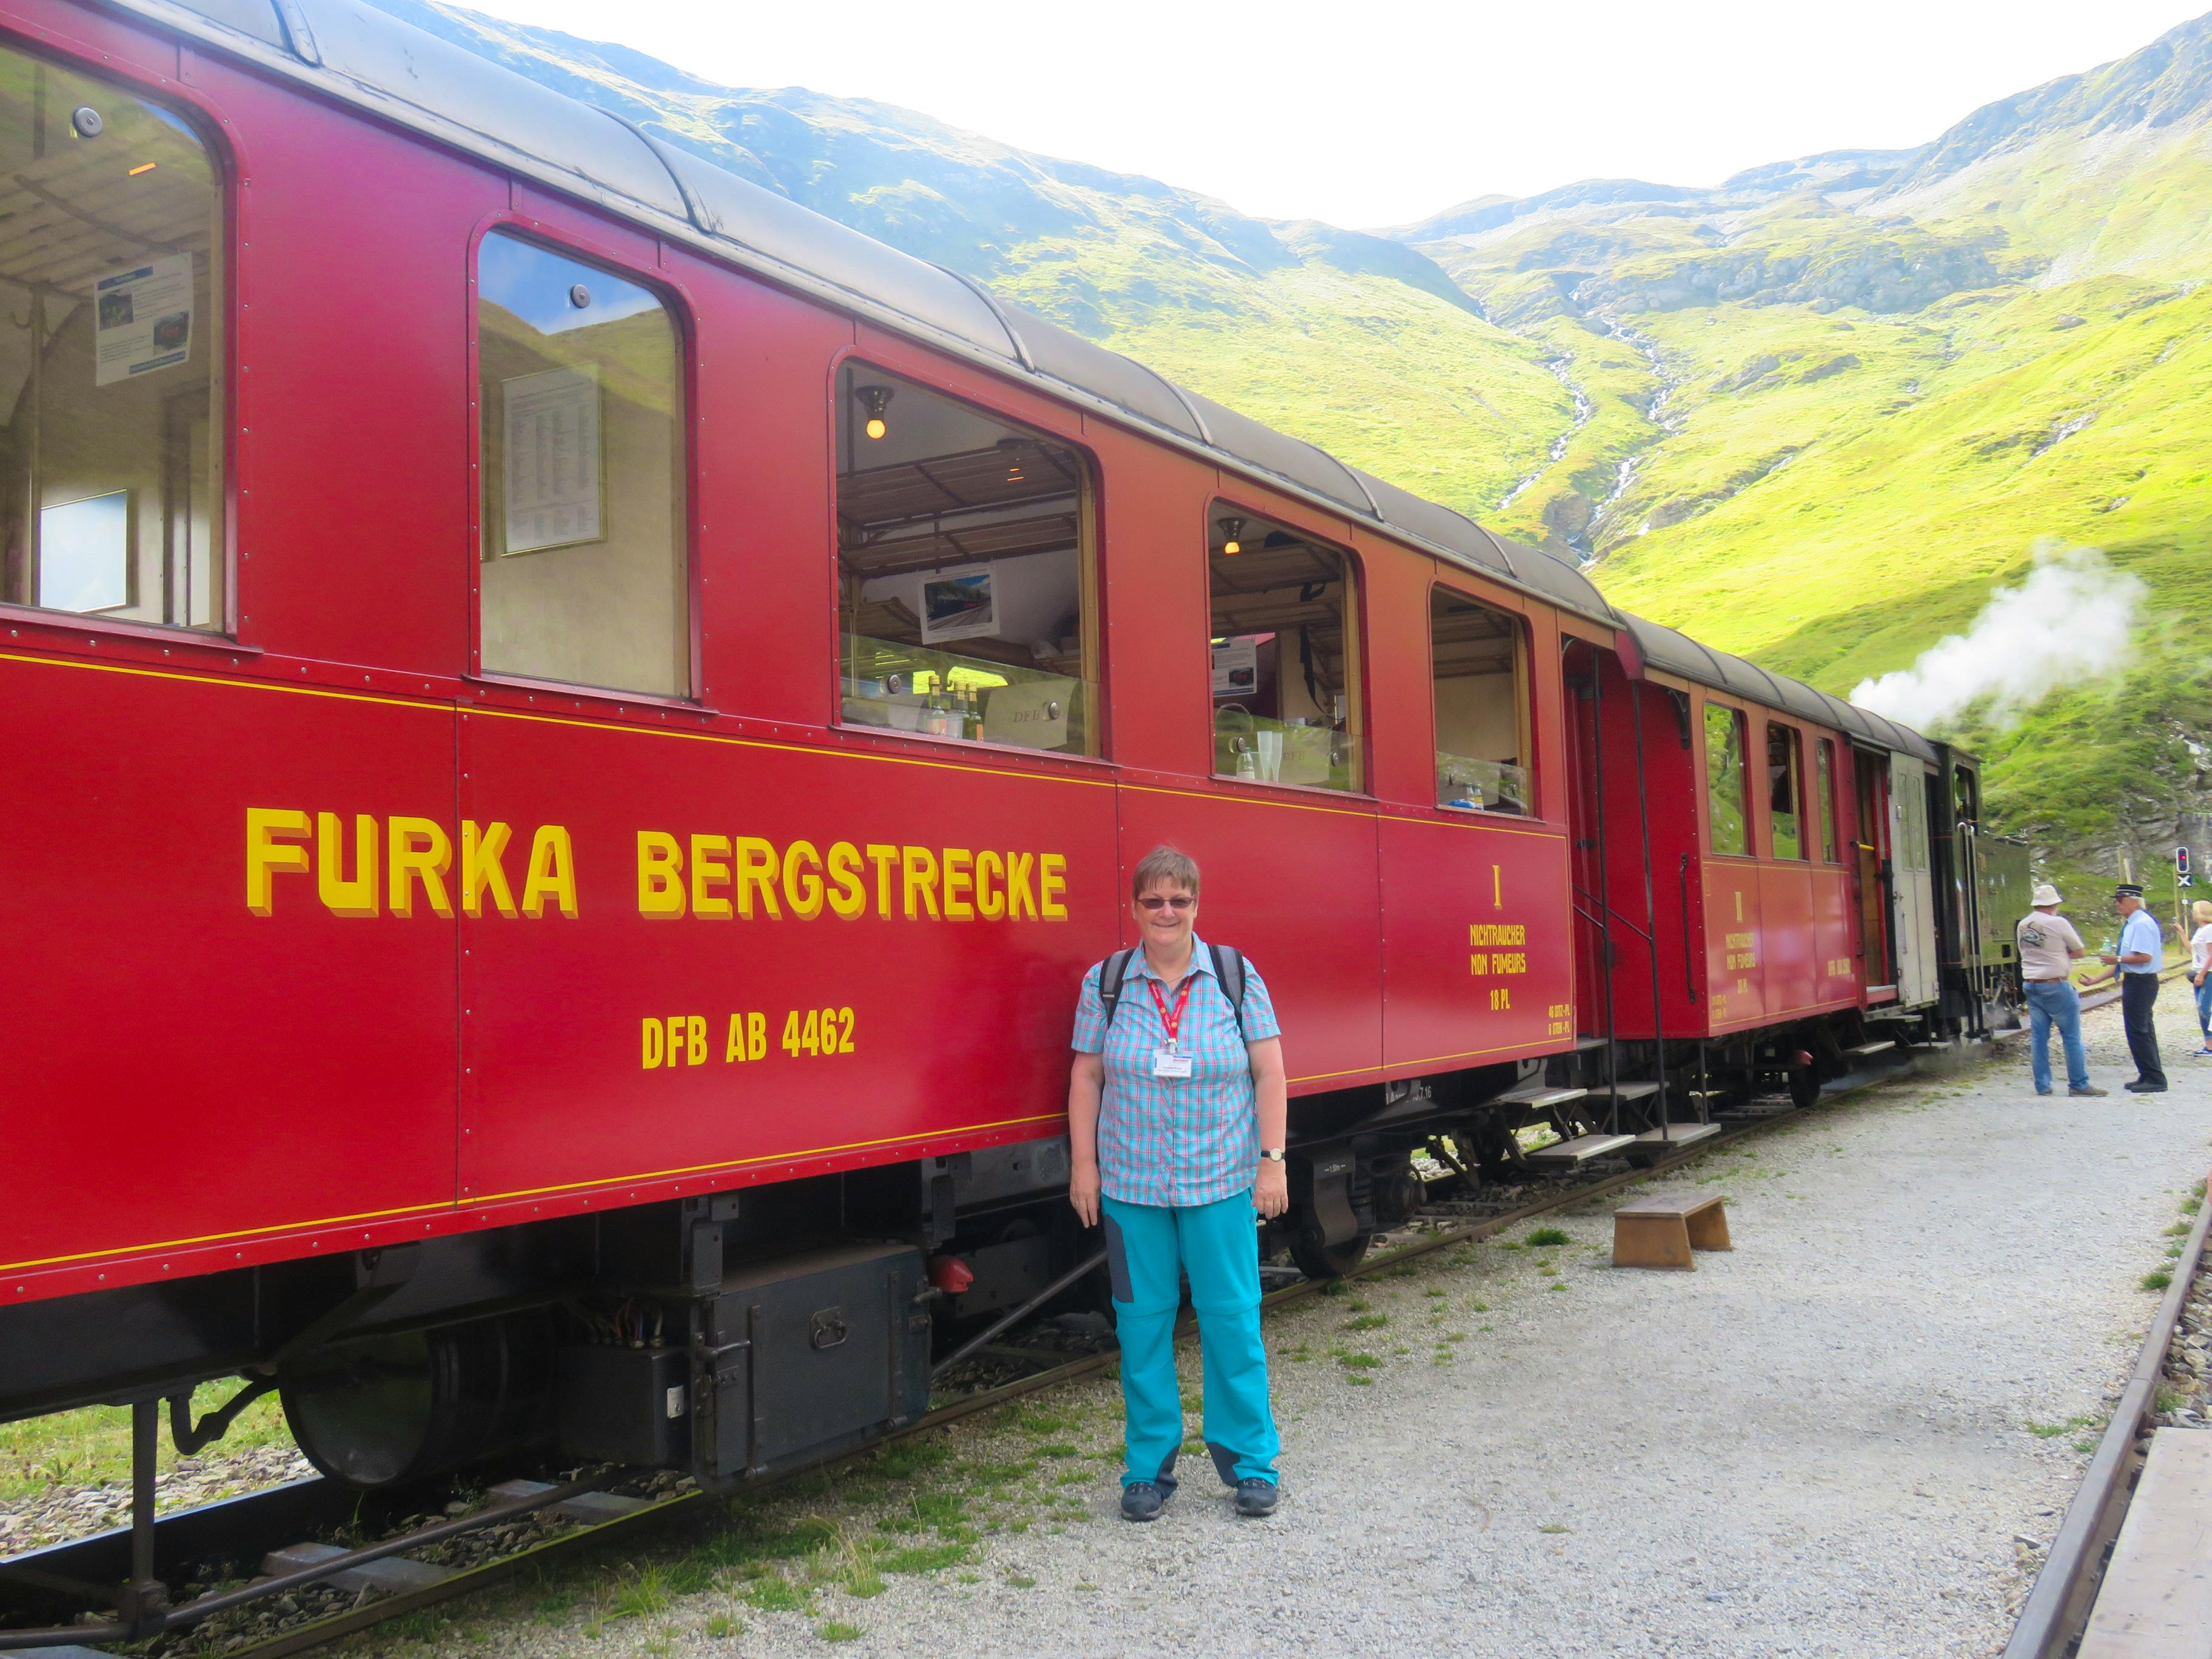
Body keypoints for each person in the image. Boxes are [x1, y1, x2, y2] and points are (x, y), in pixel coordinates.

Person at [1067, 846, 1288, 1523]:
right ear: (1134, 909)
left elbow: (1270, 1073)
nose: (1168, 912)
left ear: (1197, 905)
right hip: (1132, 1191)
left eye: (1180, 900)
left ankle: (1251, 1465)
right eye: (1155, 901)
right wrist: (1084, 1165)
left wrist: (1271, 1159)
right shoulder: (1105, 983)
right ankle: (1147, 1471)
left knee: (1232, 1323)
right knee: (1141, 1327)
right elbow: (1085, 1077)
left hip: (1220, 1183)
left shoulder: (1233, 976)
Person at [2016, 884, 2104, 1098]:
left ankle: (2043, 1085)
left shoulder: (2023, 924)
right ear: (2054, 904)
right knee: (2071, 1036)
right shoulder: (2058, 922)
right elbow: (2080, 951)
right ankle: (2079, 1083)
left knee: (2039, 1037)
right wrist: (2061, 956)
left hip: (2031, 984)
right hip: (2055, 984)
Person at [2090, 882, 2167, 1093]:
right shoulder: (2132, 923)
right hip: (2135, 980)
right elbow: (2124, 962)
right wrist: (2097, 980)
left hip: (2142, 981)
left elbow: (2143, 957)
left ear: (2134, 901)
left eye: (2121, 900)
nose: (2117, 905)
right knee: (2140, 1030)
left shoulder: (2141, 924)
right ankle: (2147, 1073)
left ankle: (2155, 1078)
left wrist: (2116, 958)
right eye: (2117, 900)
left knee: (2139, 1031)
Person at [2190, 898, 2212, 1058]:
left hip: (2208, 973)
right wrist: (2181, 933)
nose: (2192, 913)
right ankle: (2208, 1045)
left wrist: (2202, 973)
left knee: (2205, 1009)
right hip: (2199, 972)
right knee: (2201, 1009)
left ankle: (2210, 1046)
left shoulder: (2209, 929)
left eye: (2194, 910)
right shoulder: (2199, 930)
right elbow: (2192, 950)